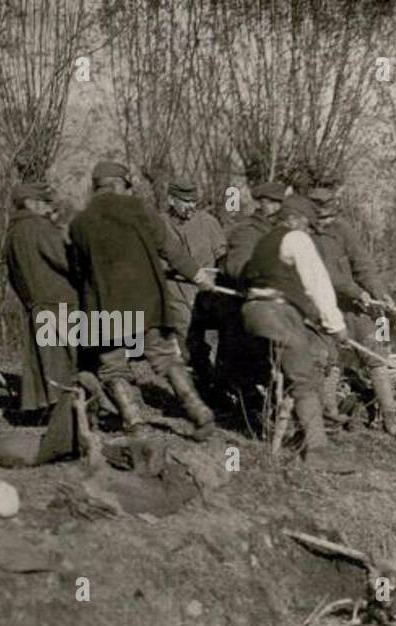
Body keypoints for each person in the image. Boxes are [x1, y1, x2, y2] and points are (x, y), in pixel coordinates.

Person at [68, 160, 215, 437]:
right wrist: (199, 277)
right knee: (164, 357)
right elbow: (170, 249)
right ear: (120, 185)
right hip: (148, 300)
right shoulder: (140, 209)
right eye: (127, 187)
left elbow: (78, 270)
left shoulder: (79, 223)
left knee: (113, 366)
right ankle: (200, 412)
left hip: (104, 305)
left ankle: (135, 424)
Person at [238, 194, 347, 466]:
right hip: (277, 313)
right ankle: (317, 451)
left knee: (293, 367)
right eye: (309, 225)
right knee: (304, 378)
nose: (310, 231)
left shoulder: (265, 241)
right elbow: (317, 284)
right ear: (297, 219)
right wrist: (337, 326)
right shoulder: (297, 239)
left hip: (253, 313)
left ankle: (289, 431)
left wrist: (313, 316)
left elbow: (269, 281)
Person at [309, 187, 396, 435]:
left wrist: (380, 293)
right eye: (320, 218)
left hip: (354, 307)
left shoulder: (344, 231)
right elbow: (327, 276)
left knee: (376, 353)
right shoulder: (304, 236)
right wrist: (357, 292)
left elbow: (363, 265)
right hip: (323, 307)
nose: (325, 223)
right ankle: (329, 415)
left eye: (329, 217)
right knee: (333, 359)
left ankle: (390, 415)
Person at [3, 181, 79, 413]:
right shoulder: (40, 227)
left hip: (35, 303)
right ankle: (72, 412)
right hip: (61, 302)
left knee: (47, 361)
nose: (49, 209)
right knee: (69, 359)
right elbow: (66, 260)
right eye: (45, 203)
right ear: (30, 203)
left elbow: (13, 275)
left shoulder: (12, 232)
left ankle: (53, 409)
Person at [216, 181, 286, 407]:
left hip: (275, 305)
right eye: (271, 203)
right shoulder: (247, 231)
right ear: (261, 203)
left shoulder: (283, 232)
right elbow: (238, 266)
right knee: (244, 361)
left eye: (279, 204)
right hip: (244, 305)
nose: (276, 209)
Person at [162, 178, 226, 391]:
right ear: (171, 200)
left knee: (219, 340)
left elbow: (223, 257)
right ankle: (208, 386)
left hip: (207, 291)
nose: (191, 206)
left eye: (194, 201)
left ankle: (223, 383)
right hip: (175, 291)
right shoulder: (159, 224)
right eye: (185, 201)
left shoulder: (208, 222)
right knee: (189, 342)